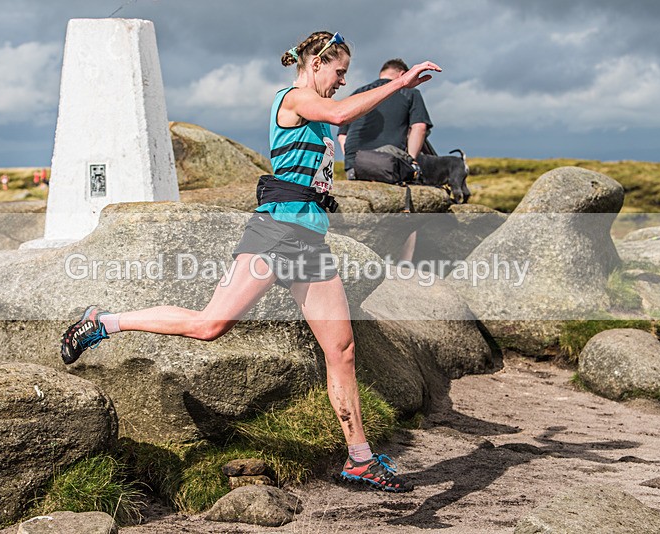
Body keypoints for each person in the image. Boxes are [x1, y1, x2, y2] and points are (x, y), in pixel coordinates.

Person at [60, 31, 440, 493]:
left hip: (309, 240)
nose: (343, 81)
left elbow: (337, 126)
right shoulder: (294, 98)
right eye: (339, 71)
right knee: (209, 325)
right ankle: (103, 321)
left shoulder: (320, 117)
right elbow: (341, 112)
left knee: (341, 350)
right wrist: (401, 85)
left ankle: (359, 459)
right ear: (317, 62)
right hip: (276, 232)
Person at [338, 59, 435, 263]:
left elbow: (342, 136)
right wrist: (411, 161)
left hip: (356, 165)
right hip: (388, 165)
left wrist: (352, 161)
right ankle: (404, 268)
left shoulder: (359, 92)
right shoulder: (410, 92)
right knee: (407, 213)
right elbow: (419, 128)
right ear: (402, 75)